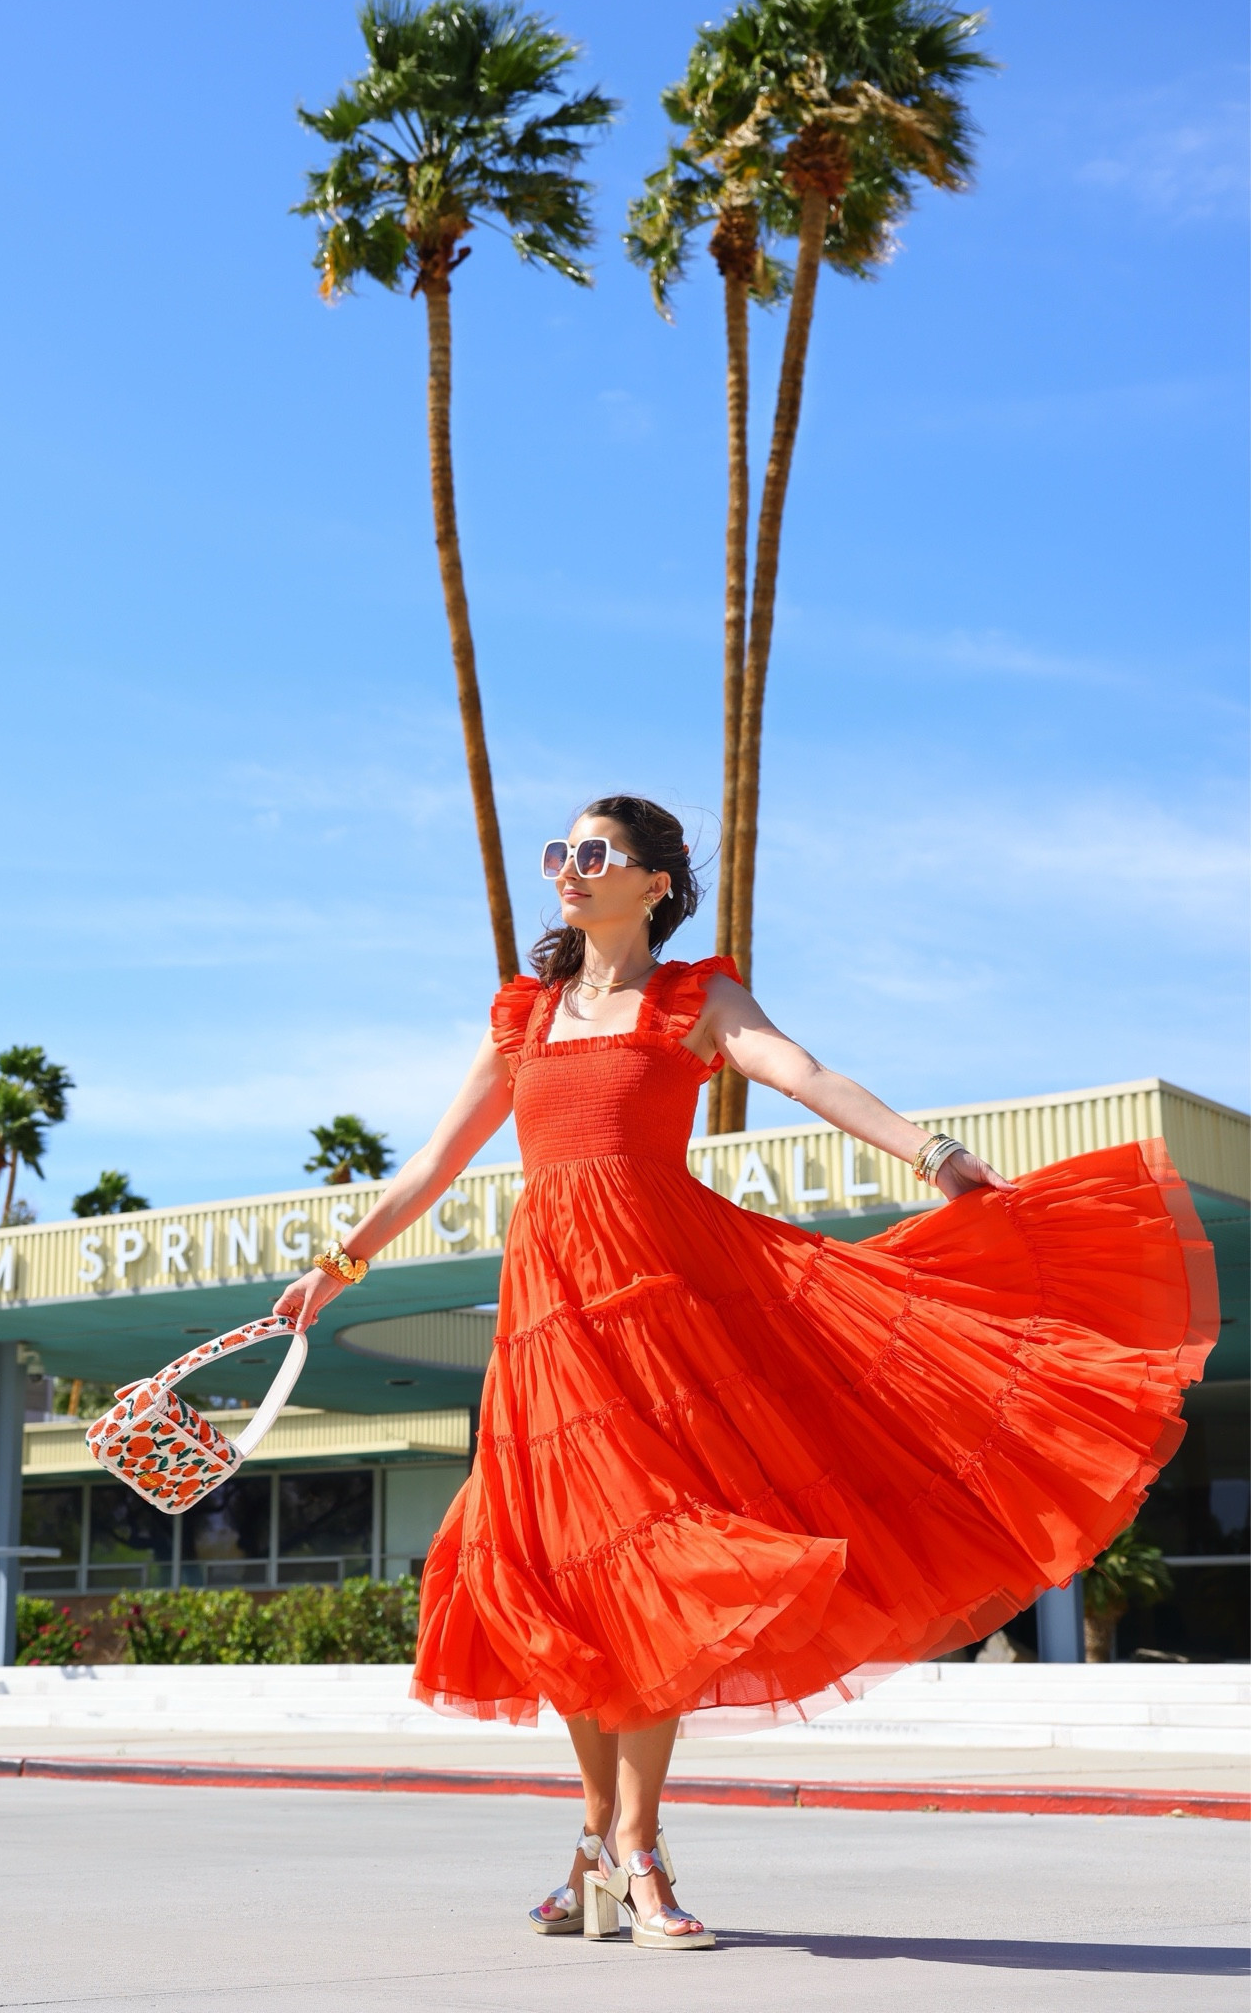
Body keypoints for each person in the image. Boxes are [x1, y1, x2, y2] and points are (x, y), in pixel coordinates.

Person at [273, 794, 1216, 1953]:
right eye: (557, 851)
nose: (565, 869)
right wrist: (338, 1263)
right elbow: (435, 1155)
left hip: (662, 1308)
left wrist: (931, 1151)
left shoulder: (693, 998)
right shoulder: (521, 1013)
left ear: (655, 881)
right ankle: (593, 1841)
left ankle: (633, 1841)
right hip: (546, 1319)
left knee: (664, 1552)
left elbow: (802, 1071)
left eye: (592, 853)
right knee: (563, 1569)